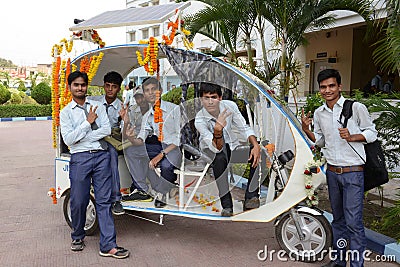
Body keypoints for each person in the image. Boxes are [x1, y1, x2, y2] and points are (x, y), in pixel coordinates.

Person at [301, 69, 377, 267]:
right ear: (319, 89)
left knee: (353, 223)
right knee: (338, 221)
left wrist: (353, 136)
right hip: (333, 173)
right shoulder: (319, 113)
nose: (328, 90)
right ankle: (339, 261)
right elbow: (320, 141)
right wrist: (306, 129)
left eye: (331, 86)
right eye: (323, 87)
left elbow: (371, 133)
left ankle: (357, 264)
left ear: (340, 86)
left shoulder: (356, 108)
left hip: (353, 173)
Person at [60, 71, 129, 259]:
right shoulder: (65, 113)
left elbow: (106, 129)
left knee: (104, 201)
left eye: (83, 85)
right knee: (79, 200)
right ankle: (77, 235)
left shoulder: (97, 106)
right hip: (80, 159)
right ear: (70, 87)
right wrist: (87, 123)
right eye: (76, 85)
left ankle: (108, 245)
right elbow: (68, 139)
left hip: (101, 156)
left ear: (87, 86)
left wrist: (82, 136)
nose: (80, 88)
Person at [194, 83, 261, 217]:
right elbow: (216, 147)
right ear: (201, 100)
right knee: (219, 157)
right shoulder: (199, 119)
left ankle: (250, 198)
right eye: (206, 98)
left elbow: (244, 127)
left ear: (220, 97)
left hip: (232, 147)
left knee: (260, 154)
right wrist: (217, 131)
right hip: (211, 151)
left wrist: (256, 145)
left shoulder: (230, 106)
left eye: (213, 97)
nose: (210, 101)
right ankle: (227, 205)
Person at [122, 77, 181, 208]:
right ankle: (143, 190)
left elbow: (180, 138)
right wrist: (131, 137)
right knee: (131, 150)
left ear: (160, 90)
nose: (151, 93)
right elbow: (141, 140)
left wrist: (160, 155)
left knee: (166, 166)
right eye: (147, 90)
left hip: (173, 149)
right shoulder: (147, 115)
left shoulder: (174, 109)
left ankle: (162, 191)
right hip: (159, 147)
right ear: (144, 94)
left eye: (153, 89)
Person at [89, 71, 125, 216]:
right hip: (93, 137)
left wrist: (124, 119)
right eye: (108, 86)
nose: (110, 89)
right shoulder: (94, 102)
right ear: (104, 86)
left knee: (112, 154)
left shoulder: (122, 106)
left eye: (114, 86)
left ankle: (118, 197)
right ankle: (113, 197)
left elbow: (125, 131)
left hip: (112, 140)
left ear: (119, 89)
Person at [120, 87, 153, 202]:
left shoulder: (155, 109)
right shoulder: (133, 111)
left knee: (133, 151)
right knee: (130, 150)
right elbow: (125, 134)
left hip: (155, 143)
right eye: (138, 97)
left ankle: (141, 188)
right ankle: (139, 185)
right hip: (139, 142)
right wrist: (126, 123)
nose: (141, 100)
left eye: (142, 96)